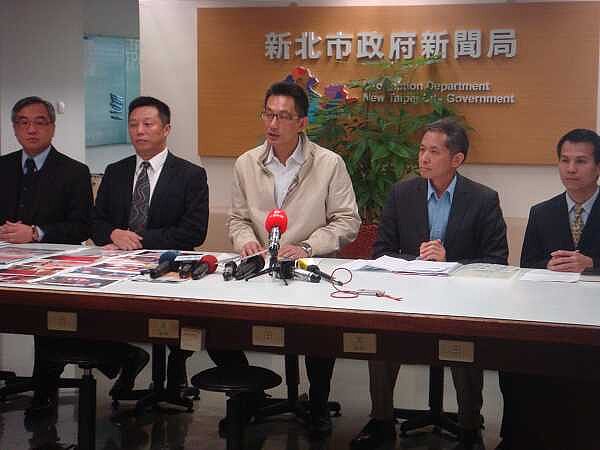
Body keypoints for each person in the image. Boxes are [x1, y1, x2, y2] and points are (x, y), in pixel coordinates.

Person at [209, 81, 360, 437]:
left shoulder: (328, 163)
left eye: (283, 117)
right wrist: (246, 241)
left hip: (309, 267)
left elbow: (347, 220)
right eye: (268, 115)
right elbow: (238, 218)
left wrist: (307, 246)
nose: (273, 124)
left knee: (319, 332)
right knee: (215, 325)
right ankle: (251, 395)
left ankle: (318, 402)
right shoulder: (247, 163)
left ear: (302, 123)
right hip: (259, 269)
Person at [351, 118, 508, 450]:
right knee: (381, 336)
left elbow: (497, 261)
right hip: (407, 296)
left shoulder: (482, 199)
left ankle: (469, 428)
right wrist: (418, 262)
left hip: (460, 301)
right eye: (422, 149)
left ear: (457, 159)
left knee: (466, 342)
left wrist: (449, 262)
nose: (423, 158)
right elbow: (381, 252)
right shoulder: (402, 194)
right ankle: (381, 420)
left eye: (434, 152)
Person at [0, 96, 149, 415]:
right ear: (14, 128)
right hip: (6, 263)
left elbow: (82, 225)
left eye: (40, 122)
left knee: (50, 323)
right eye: (23, 123)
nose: (31, 129)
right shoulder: (3, 167)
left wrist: (36, 233)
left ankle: (46, 390)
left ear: (52, 127)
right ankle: (119, 357)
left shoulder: (73, 171)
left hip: (53, 263)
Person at [92, 96, 209, 403]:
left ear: (166, 129)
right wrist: (113, 233)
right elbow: (96, 222)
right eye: (133, 125)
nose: (139, 131)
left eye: (147, 124)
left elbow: (193, 232)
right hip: (118, 268)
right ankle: (128, 358)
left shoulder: (190, 174)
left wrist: (137, 240)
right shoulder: (115, 171)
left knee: (180, 320)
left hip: (170, 269)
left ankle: (175, 368)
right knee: (90, 315)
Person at [498, 128, 600, 450]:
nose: (571, 169)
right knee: (513, 359)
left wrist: (591, 264)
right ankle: (520, 437)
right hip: (550, 310)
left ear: (598, 167)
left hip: (594, 315)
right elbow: (527, 265)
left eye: (581, 161)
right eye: (565, 160)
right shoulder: (542, 212)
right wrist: (548, 266)